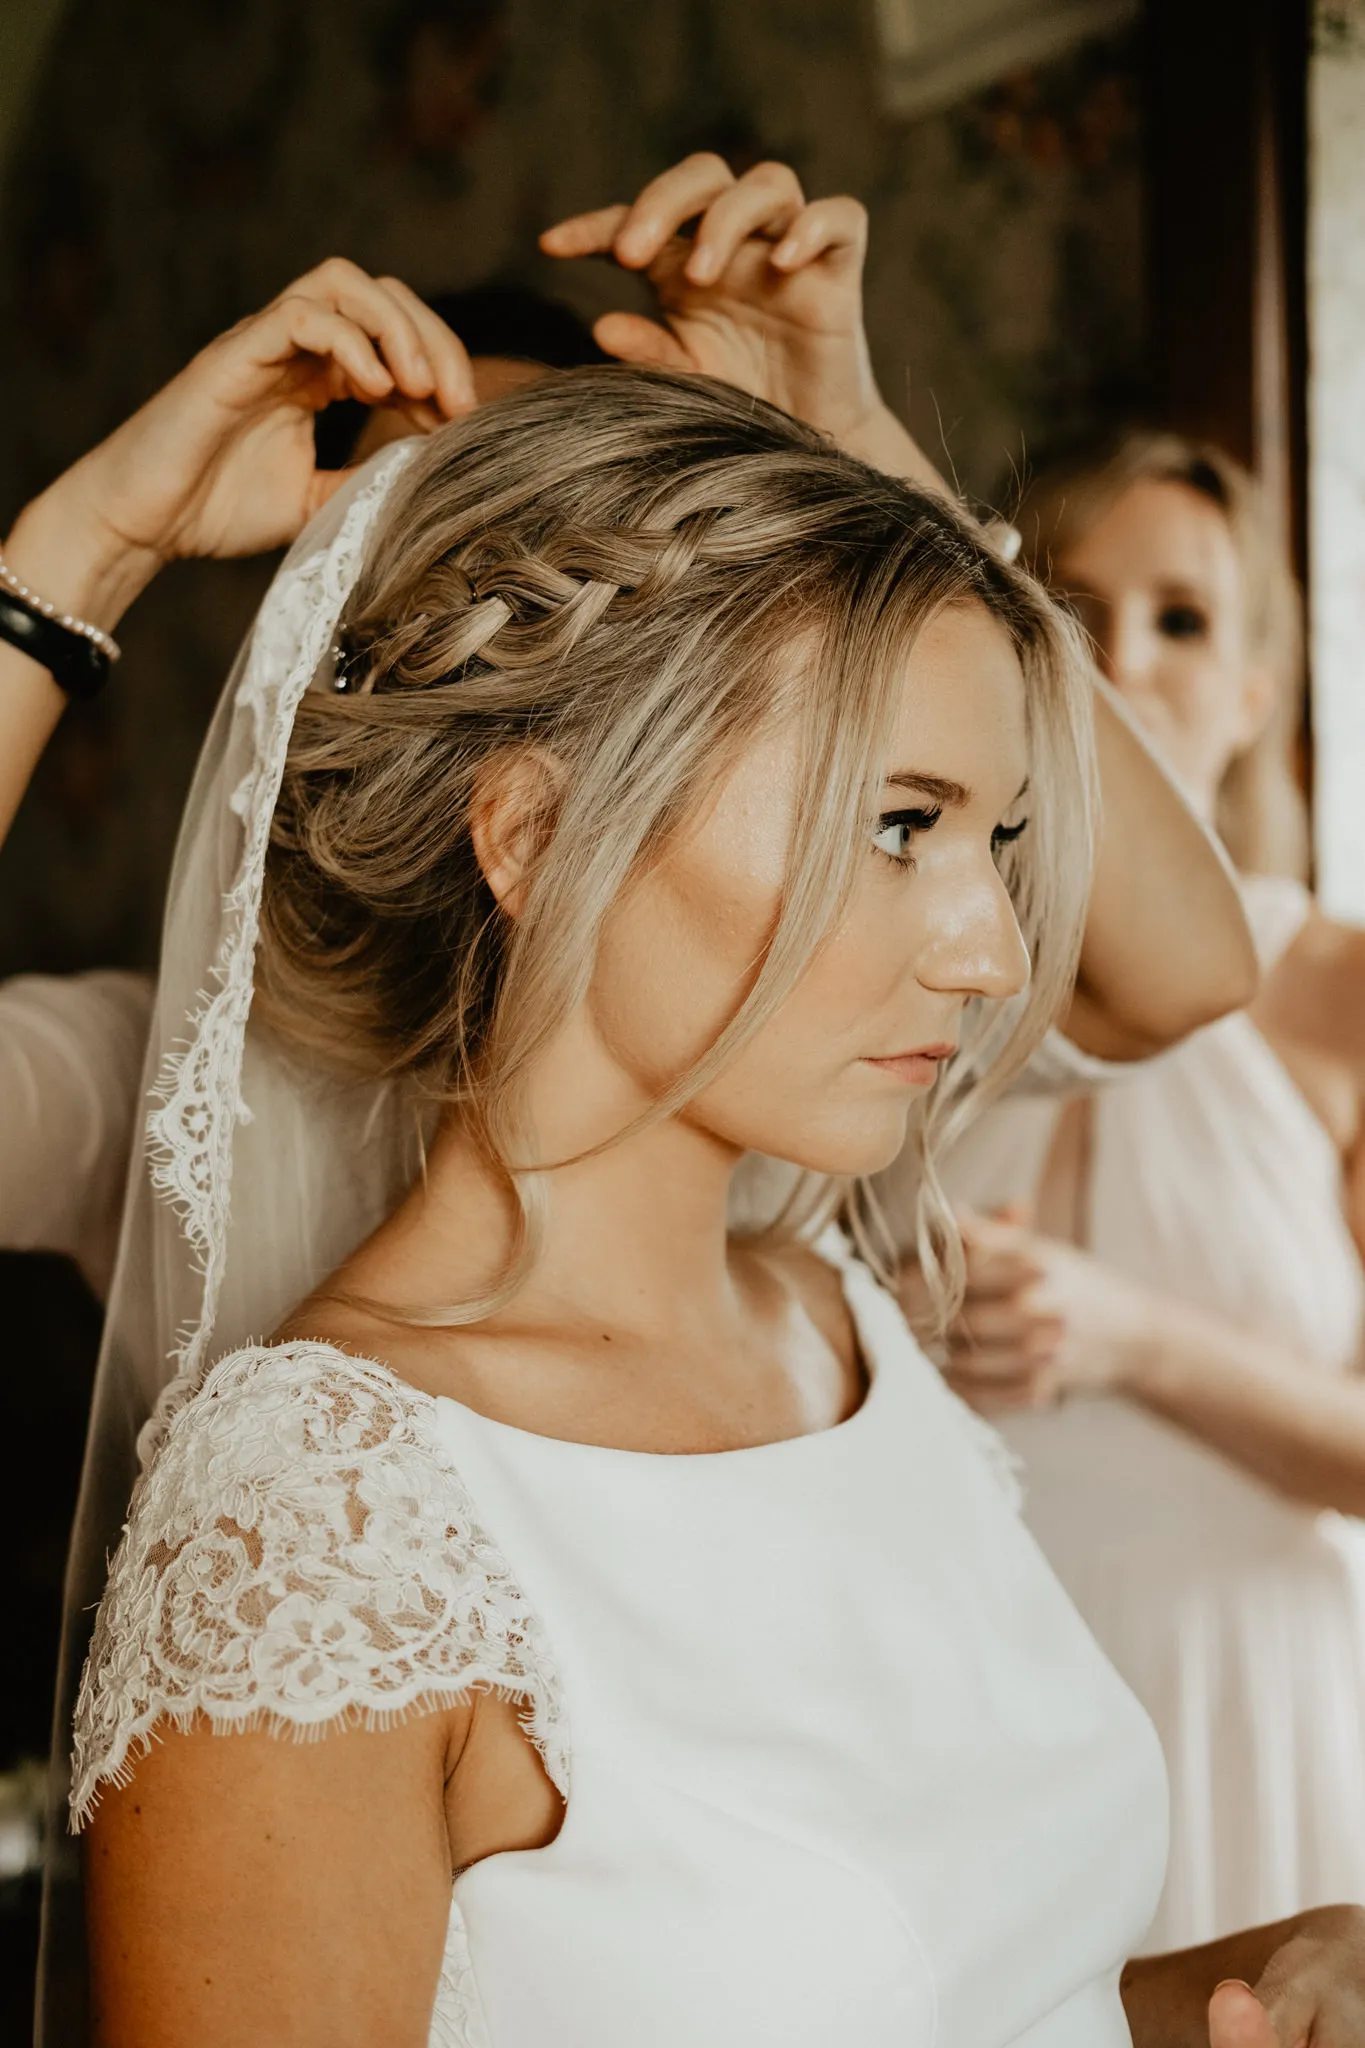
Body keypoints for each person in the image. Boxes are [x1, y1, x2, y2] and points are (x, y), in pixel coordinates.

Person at [43, 180, 1365, 2048]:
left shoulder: (843, 1326)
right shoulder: (322, 1526)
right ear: (533, 831)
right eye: (897, 827)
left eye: (993, 836)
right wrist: (81, 545)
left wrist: (1256, 1973)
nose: (993, 944)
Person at [922, 430, 1365, 1953]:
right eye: (1078, 606)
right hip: (953, 1672)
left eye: (1183, 619)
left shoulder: (1340, 996)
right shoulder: (926, 974)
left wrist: (1133, 1342)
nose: (1120, 660)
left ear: (1257, 691)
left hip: (1239, 1696)